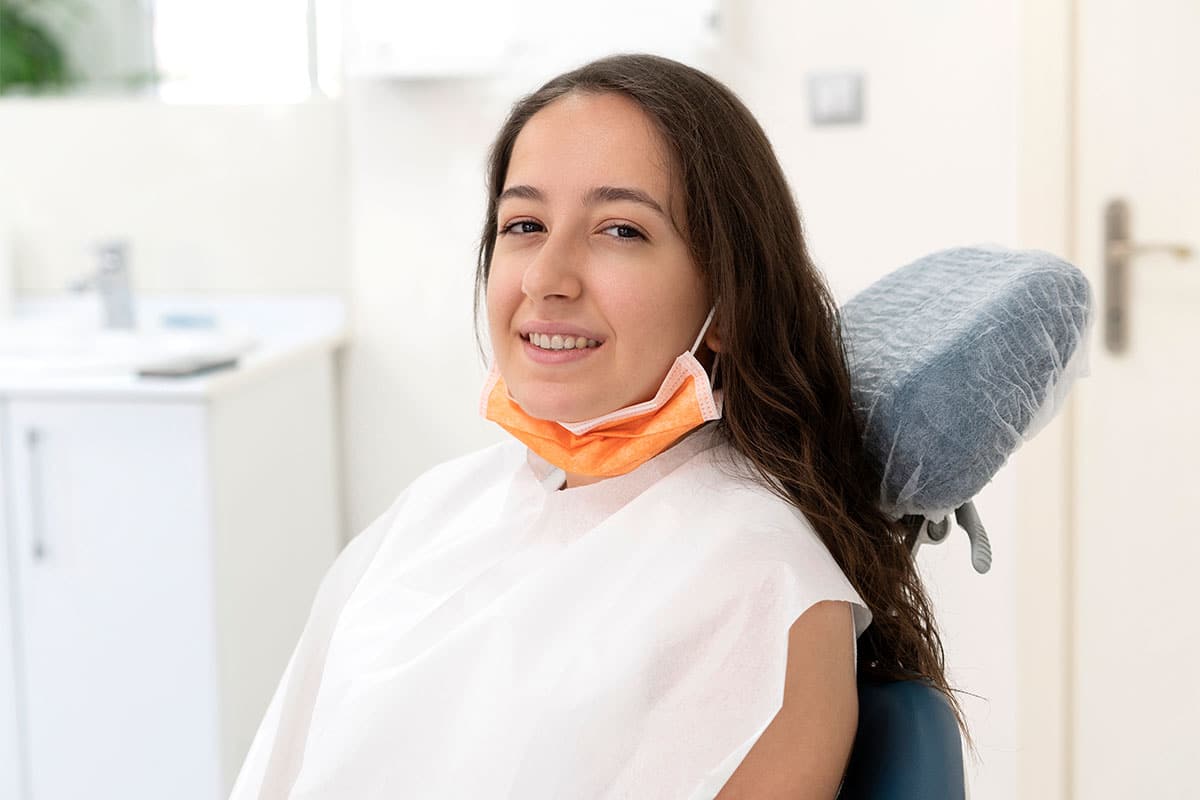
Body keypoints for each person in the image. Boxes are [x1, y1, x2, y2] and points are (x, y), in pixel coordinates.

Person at [230, 53, 965, 799]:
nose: (548, 277)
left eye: (619, 230)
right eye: (524, 224)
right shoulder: (429, 512)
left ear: (729, 302)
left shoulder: (764, 587)